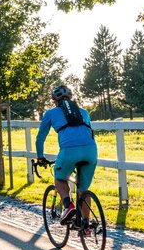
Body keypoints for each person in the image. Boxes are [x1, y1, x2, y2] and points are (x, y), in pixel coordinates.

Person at [35, 85, 98, 225]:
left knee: (59, 178)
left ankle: (68, 206)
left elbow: (40, 138)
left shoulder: (50, 113)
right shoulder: (84, 112)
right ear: (71, 98)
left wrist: (40, 157)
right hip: (91, 151)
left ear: (54, 100)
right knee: (83, 189)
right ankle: (86, 225)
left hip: (69, 151)